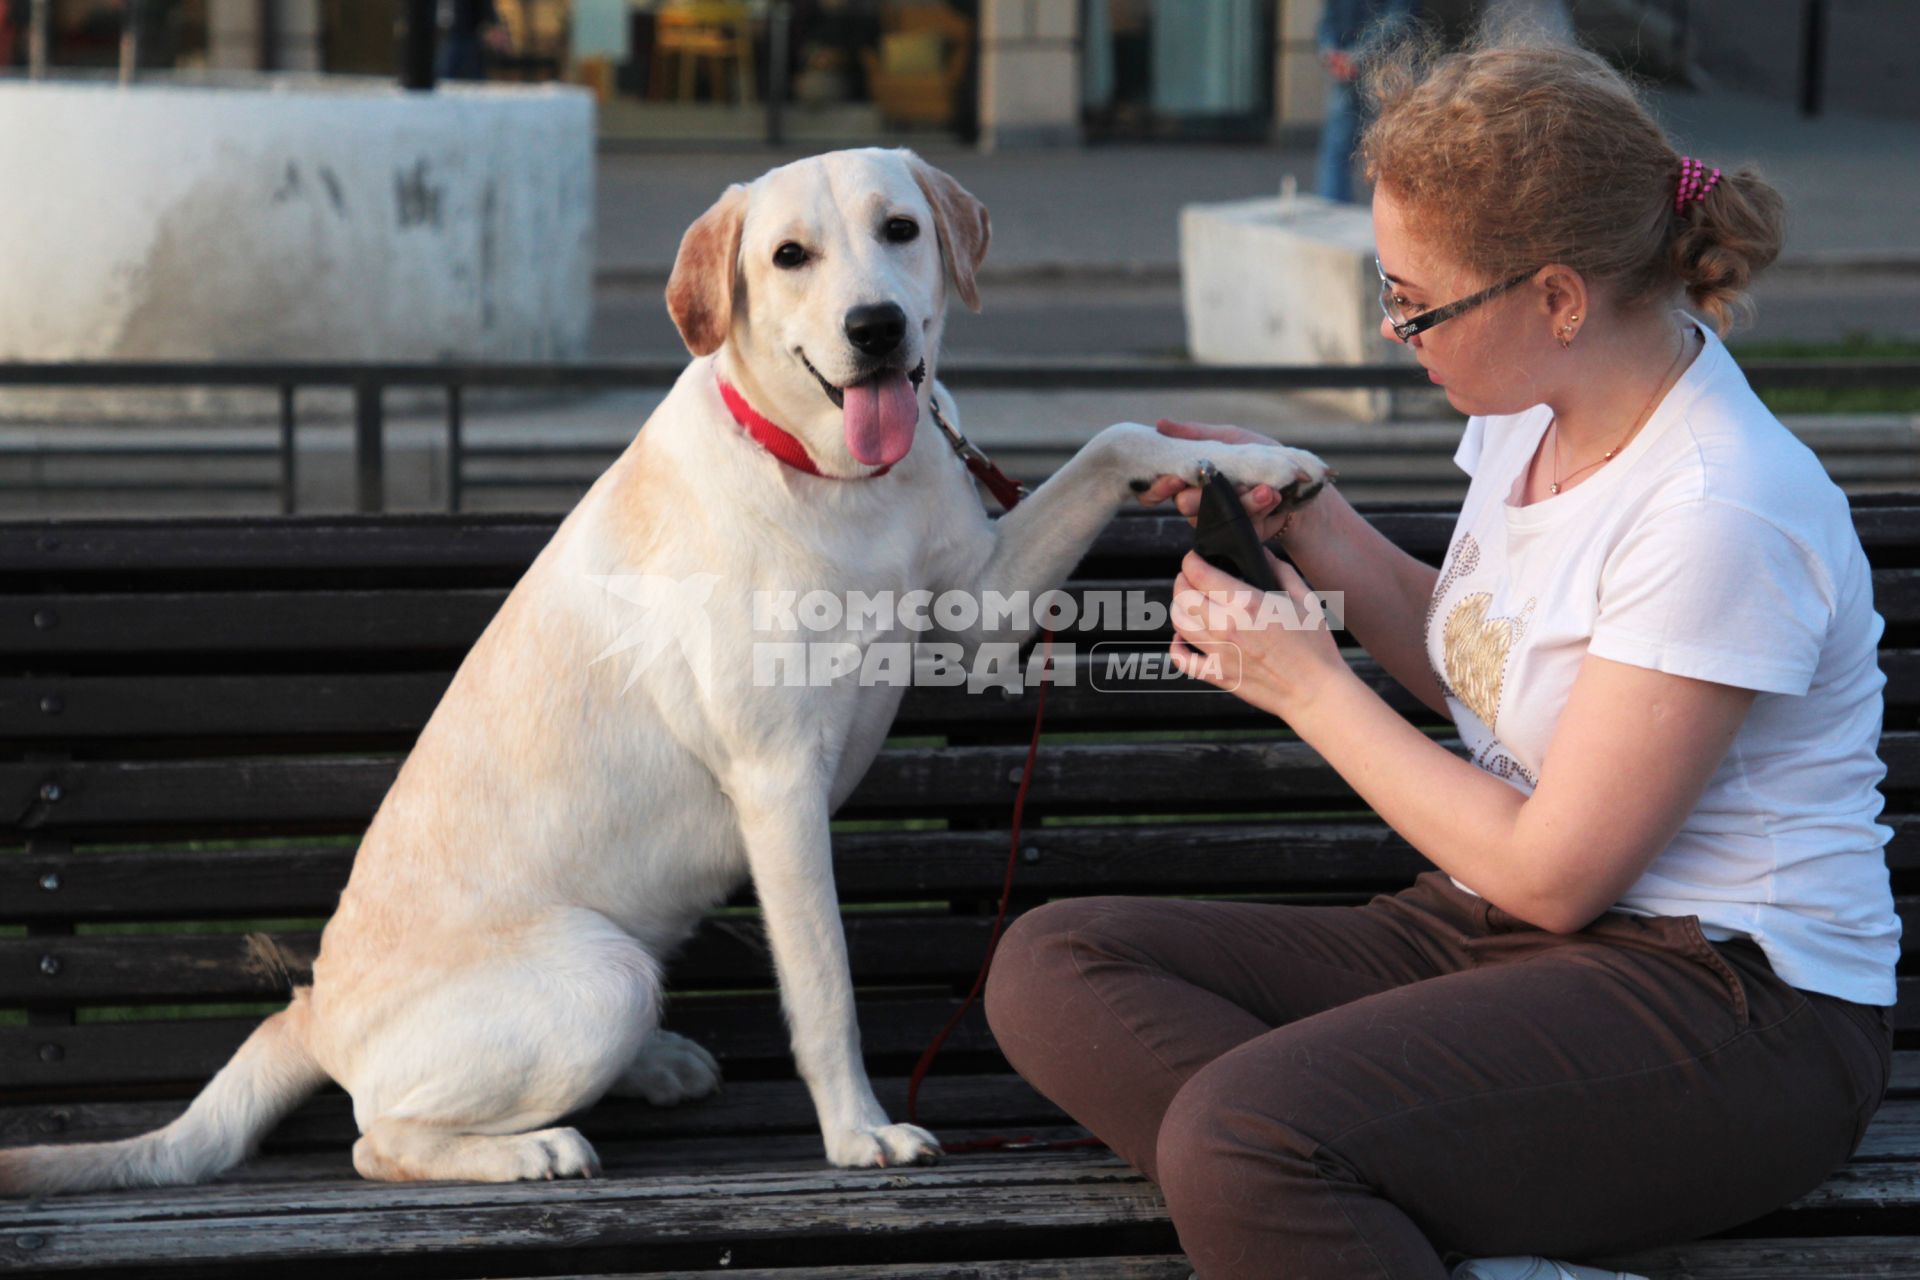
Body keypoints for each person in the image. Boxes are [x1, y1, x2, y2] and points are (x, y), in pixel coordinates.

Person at [983, 28, 1900, 1280]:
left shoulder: (1718, 508)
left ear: (1558, 298)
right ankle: (1377, 1208)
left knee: (1243, 1136)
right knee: (1056, 966)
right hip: (1503, 933)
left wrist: (1306, 687)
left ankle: (1308, 1186)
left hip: (1731, 1008)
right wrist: (1311, 515)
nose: (1390, 325)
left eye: (1415, 300)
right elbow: (1481, 653)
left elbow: (1556, 873)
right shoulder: (1535, 409)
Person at [1316, 0, 1417, 202]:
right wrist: (1332, 54)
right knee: (1345, 150)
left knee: (1385, 154)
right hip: (1356, 70)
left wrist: (1348, 57)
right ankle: (1333, 210)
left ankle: (1388, 217)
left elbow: (1397, 23)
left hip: (1384, 72)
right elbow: (1327, 23)